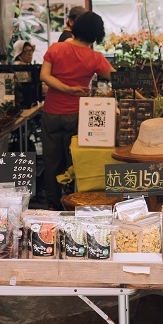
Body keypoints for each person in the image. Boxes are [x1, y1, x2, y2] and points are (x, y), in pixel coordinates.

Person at [40, 11, 114, 209]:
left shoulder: (56, 48)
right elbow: (119, 79)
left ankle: (53, 206)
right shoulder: (95, 58)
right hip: (77, 115)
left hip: (51, 113)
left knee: (51, 162)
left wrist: (64, 88)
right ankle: (72, 203)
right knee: (74, 162)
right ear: (97, 35)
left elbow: (44, 76)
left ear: (75, 27)